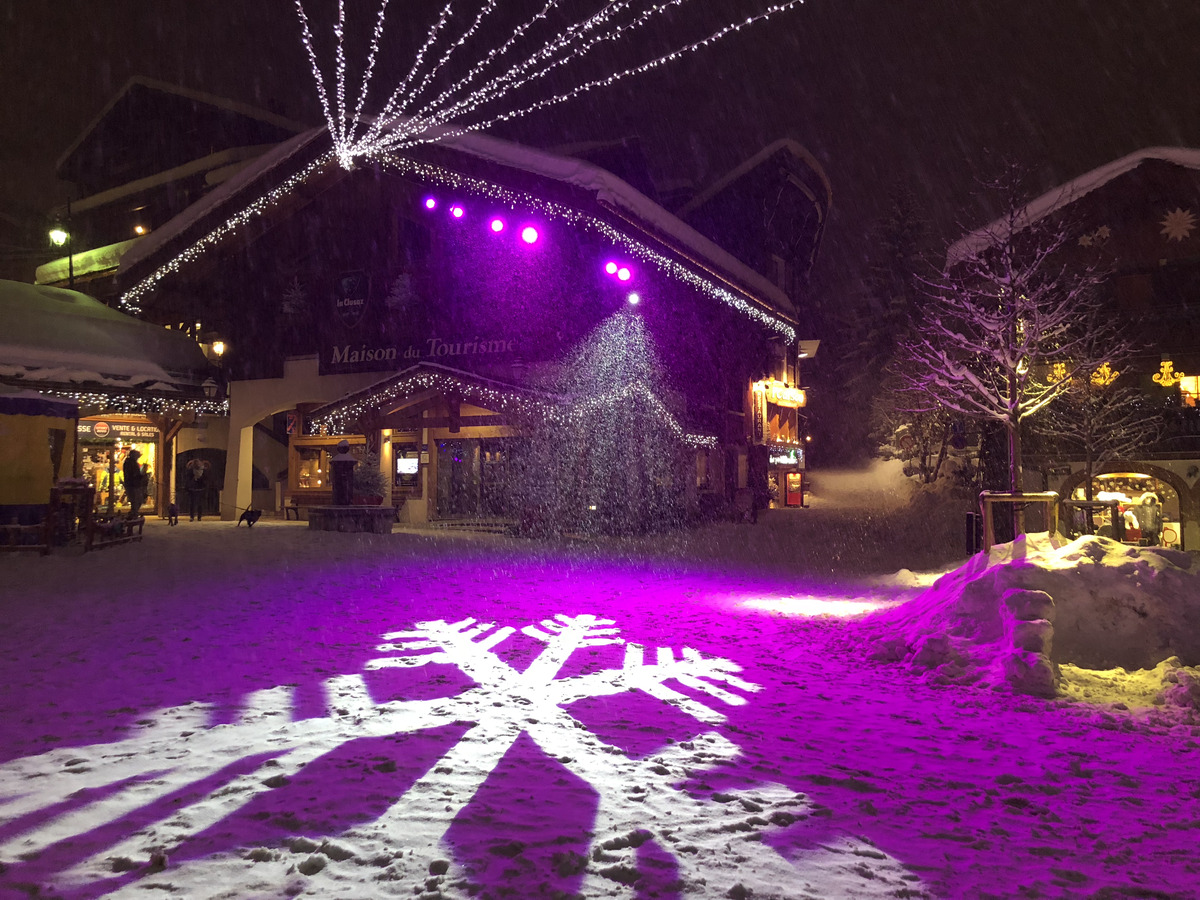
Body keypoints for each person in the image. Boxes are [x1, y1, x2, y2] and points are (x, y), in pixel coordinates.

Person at [122, 449, 147, 518]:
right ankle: (133, 514)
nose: (138, 457)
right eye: (137, 456)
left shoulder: (129, 462)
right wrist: (142, 476)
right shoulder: (131, 463)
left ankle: (133, 513)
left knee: (136, 500)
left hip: (132, 484)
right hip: (133, 485)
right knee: (136, 500)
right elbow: (133, 474)